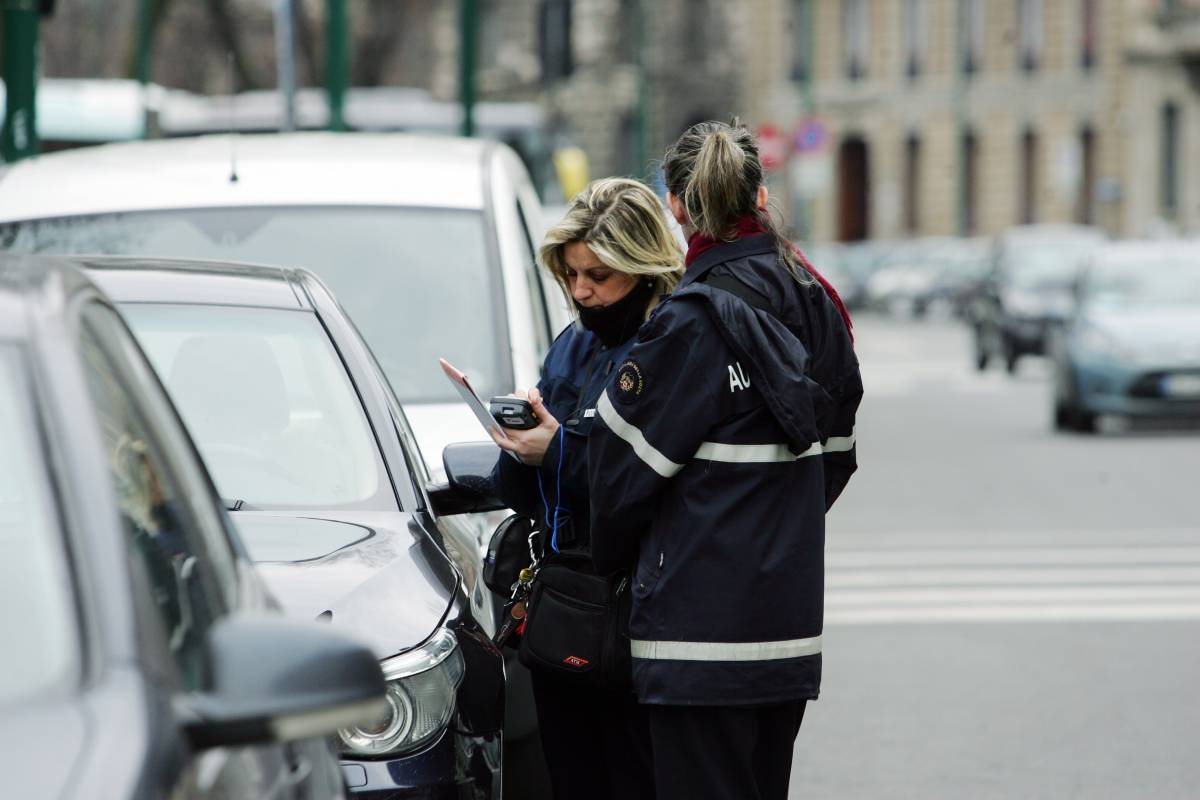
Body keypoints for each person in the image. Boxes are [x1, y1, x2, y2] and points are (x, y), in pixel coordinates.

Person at [586, 120, 862, 800]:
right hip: (785, 631)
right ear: (759, 197)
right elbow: (836, 459)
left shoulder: (686, 325)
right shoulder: (818, 305)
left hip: (693, 641)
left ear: (676, 206)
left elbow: (614, 484)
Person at [489, 177, 685, 800]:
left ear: (644, 267)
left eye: (599, 275)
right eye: (572, 275)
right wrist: (520, 446)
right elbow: (531, 489)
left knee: (636, 777)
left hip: (642, 610)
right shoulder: (574, 344)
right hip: (566, 603)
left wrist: (559, 451)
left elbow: (648, 479)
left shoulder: (672, 343)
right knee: (569, 778)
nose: (582, 292)